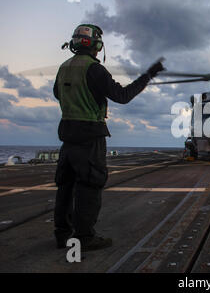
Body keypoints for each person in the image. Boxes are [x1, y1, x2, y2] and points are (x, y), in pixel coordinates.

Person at [53, 24, 164, 251]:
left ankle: (62, 234)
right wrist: (148, 76)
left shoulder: (64, 67)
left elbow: (57, 93)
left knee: (65, 187)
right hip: (89, 136)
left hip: (67, 136)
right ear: (97, 46)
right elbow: (122, 96)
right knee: (89, 186)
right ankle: (85, 237)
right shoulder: (94, 69)